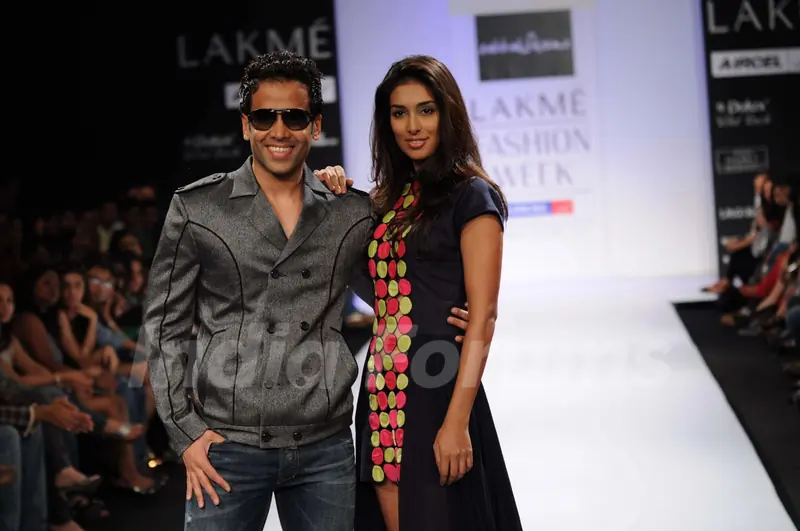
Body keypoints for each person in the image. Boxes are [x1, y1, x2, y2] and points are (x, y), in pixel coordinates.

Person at [141, 50, 471, 531]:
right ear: (246, 125)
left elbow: (392, 287)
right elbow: (162, 326)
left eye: (294, 117)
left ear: (315, 126)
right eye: (264, 117)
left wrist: (446, 312)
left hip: (325, 447)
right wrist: (185, 432)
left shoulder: (349, 211)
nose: (279, 130)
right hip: (227, 447)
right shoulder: (198, 208)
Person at [314, 55, 523, 531]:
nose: (412, 125)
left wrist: (457, 421)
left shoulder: (471, 196)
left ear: (448, 113)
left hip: (437, 383)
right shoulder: (387, 200)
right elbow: (377, 289)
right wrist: (335, 207)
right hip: (382, 385)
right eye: (399, 112)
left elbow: (484, 316)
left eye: (426, 110)